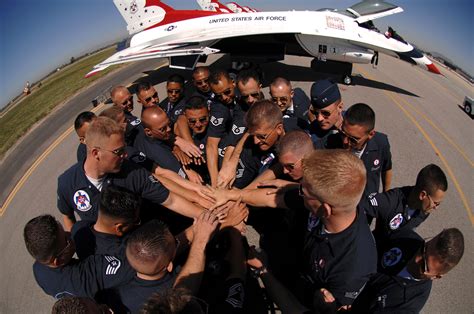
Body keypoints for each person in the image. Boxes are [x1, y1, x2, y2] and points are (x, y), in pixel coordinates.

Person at [57, 116, 206, 231]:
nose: (125, 155)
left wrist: (206, 216)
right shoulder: (67, 182)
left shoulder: (131, 172)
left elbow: (171, 200)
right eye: (118, 151)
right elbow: (68, 216)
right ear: (96, 153)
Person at [298, 150, 377, 310]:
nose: (299, 193)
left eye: (303, 192)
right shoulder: (343, 203)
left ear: (326, 210)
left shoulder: (351, 270)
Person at [105, 212, 218, 313]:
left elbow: (160, 249)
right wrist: (201, 240)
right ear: (169, 266)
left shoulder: (115, 281)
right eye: (176, 242)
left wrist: (199, 227)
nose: (177, 240)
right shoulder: (165, 300)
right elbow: (184, 293)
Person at [351, 228, 464, 313]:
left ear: (436, 276)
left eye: (423, 265)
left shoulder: (409, 303)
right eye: (423, 248)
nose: (416, 258)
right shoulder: (405, 237)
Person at [24, 215, 135, 299]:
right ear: (57, 261)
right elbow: (135, 264)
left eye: (65, 232)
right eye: (66, 240)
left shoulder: (38, 270)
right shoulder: (90, 273)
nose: (70, 234)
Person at [361, 164, 447, 244]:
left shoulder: (424, 211)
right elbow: (358, 206)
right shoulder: (390, 202)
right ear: (422, 195)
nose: (436, 207)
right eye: (436, 203)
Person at [72, 185, 141, 260]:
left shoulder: (78, 229)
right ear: (119, 228)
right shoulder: (123, 253)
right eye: (136, 221)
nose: (137, 224)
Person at [340, 103, 393, 198]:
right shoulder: (331, 144)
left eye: (353, 139)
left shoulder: (381, 143)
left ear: (371, 134)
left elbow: (387, 168)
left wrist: (386, 196)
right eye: (343, 133)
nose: (345, 141)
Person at [206, 70, 244, 186]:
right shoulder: (218, 106)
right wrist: (214, 182)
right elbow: (211, 145)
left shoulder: (246, 94)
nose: (224, 98)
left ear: (233, 83)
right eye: (219, 95)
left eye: (227, 92)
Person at [134, 106, 188, 178]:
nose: (169, 129)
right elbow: (185, 178)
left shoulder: (139, 131)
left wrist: (175, 147)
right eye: (162, 129)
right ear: (148, 131)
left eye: (168, 124)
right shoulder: (165, 158)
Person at [307, 79, 344, 149]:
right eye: (316, 113)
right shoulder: (312, 135)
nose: (319, 118)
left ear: (340, 107)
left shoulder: (355, 126)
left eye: (325, 113)